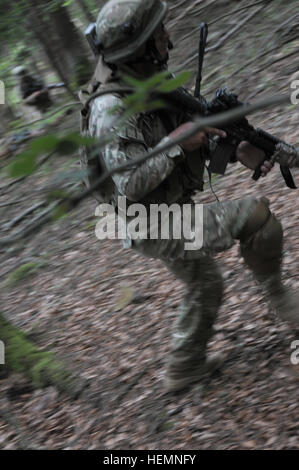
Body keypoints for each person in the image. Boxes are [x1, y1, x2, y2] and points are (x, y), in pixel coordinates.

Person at [80, 0, 299, 392]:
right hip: (151, 222)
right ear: (140, 47)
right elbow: (129, 181)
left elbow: (193, 128)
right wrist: (177, 143)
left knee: (206, 285)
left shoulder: (147, 78)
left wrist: (236, 150)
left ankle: (184, 368)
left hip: (165, 210)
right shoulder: (110, 107)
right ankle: (282, 298)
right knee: (256, 217)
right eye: (158, 32)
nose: (168, 36)